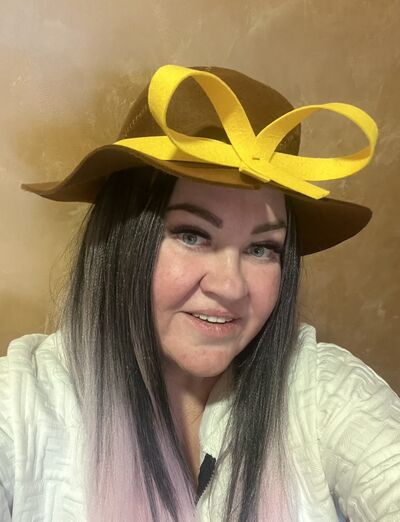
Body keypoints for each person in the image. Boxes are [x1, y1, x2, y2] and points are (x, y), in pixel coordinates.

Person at [0, 64, 399, 522]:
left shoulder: (322, 389)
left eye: (261, 248)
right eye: (192, 235)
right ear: (124, 239)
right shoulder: (22, 403)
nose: (230, 286)